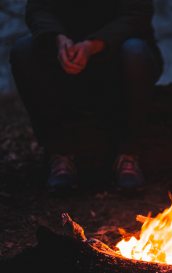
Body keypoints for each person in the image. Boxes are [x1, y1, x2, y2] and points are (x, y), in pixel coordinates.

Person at [9, 0, 163, 189]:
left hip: (118, 50)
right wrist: (58, 38)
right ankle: (60, 153)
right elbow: (38, 9)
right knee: (23, 50)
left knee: (135, 52)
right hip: (64, 52)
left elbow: (137, 14)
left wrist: (93, 45)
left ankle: (129, 154)